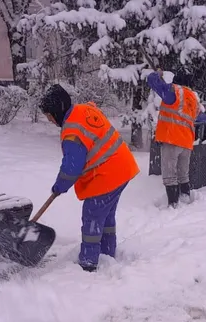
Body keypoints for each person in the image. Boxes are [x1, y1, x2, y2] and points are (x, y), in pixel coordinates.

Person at [39, 84, 140, 272]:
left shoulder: (72, 133)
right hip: (123, 168)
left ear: (56, 111)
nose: (50, 120)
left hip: (106, 176)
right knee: (106, 218)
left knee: (92, 219)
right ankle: (107, 255)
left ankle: (88, 264)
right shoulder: (83, 109)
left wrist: (59, 187)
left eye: (49, 115)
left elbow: (71, 168)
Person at [146, 70, 206, 208]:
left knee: (169, 175)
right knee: (183, 175)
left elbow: (151, 80)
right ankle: (185, 199)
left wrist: (158, 73)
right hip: (186, 143)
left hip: (172, 139)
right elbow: (201, 118)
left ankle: (173, 205)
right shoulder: (192, 98)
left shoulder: (173, 92)